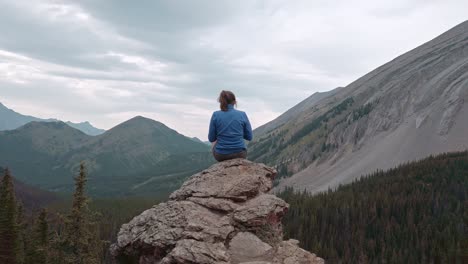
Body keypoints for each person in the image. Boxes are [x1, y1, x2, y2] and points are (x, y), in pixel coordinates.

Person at [208, 90, 253, 162]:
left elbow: (211, 139)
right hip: (240, 154)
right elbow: (249, 137)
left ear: (221, 102)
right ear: (234, 102)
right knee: (241, 144)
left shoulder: (216, 115)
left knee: (214, 142)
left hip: (221, 155)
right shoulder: (242, 114)